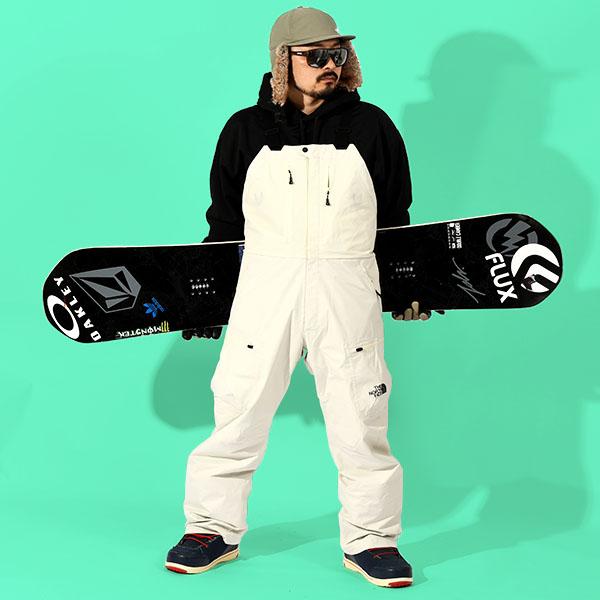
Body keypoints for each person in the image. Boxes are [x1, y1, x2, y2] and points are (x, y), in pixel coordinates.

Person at [166, 6, 441, 588]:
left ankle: (372, 540)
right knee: (238, 406)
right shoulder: (244, 130)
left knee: (361, 415)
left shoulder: (373, 128)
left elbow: (395, 220)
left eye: (337, 53)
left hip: (348, 287)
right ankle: (211, 528)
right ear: (281, 61)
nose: (329, 64)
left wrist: (409, 284)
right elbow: (224, 223)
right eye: (315, 55)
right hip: (265, 286)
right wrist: (206, 298)